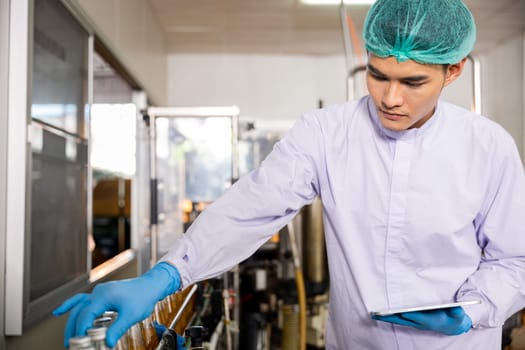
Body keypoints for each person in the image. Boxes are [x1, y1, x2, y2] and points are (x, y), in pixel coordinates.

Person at [54, 0, 525, 349]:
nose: (390, 98)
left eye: (413, 82)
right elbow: (249, 210)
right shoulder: (327, 133)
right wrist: (166, 275)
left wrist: (471, 312)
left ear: (454, 71)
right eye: (378, 75)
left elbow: (514, 260)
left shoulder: (488, 148)